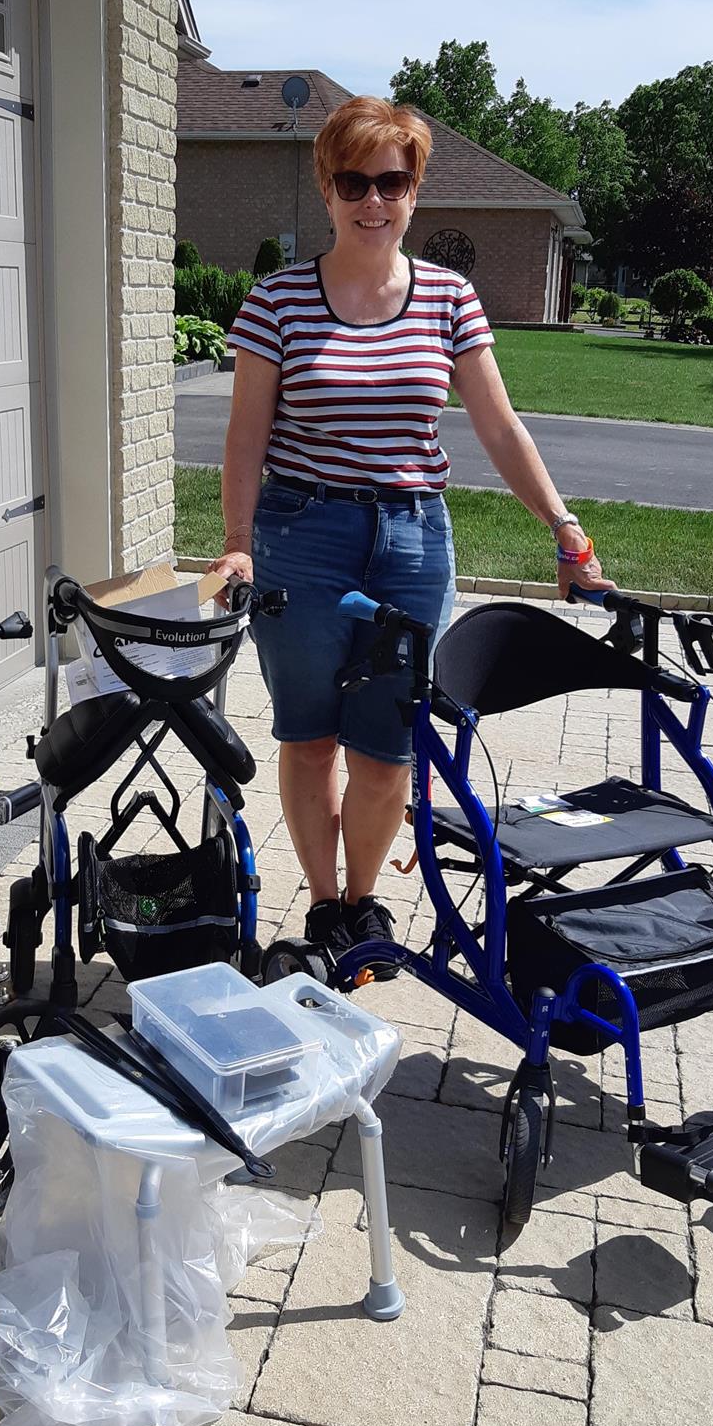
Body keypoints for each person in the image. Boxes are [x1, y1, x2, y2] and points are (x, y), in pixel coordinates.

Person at [210, 95, 611, 970]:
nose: (372, 199)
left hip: (412, 540)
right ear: (327, 187)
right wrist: (237, 539)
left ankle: (366, 903)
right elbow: (244, 437)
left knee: (387, 741)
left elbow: (501, 427)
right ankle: (322, 906)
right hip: (301, 533)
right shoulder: (277, 301)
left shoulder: (447, 298)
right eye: (353, 180)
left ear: (414, 190)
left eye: (391, 181)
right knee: (309, 735)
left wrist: (564, 529)